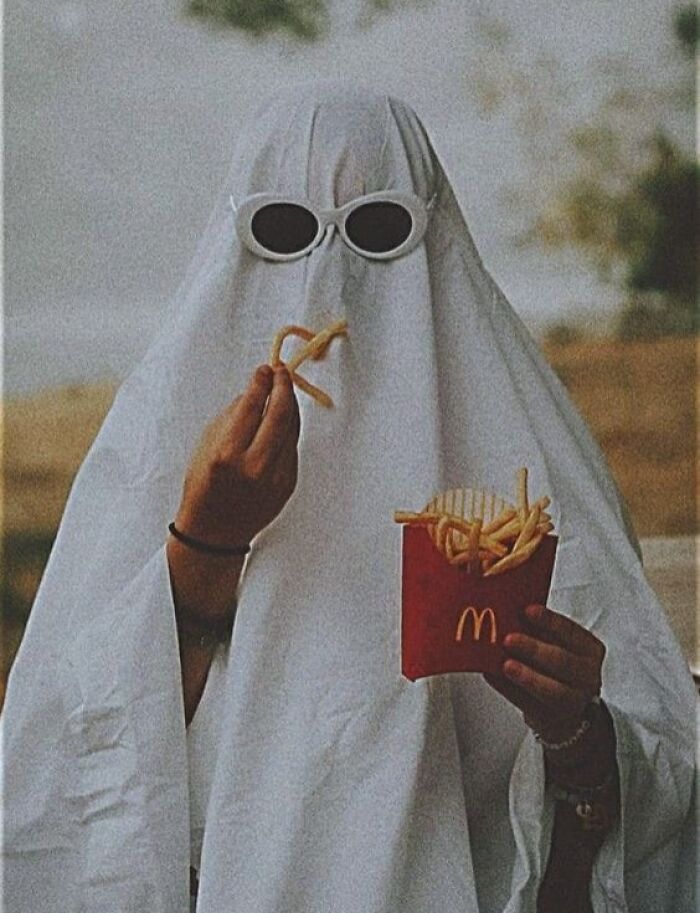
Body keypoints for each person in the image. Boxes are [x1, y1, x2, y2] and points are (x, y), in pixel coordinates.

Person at [2, 82, 694, 913]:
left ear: (432, 231)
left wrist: (580, 735)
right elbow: (63, 758)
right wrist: (203, 547)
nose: (329, 274)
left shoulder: (534, 468)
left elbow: (660, 775)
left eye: (377, 230)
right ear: (237, 234)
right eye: (286, 230)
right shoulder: (160, 442)